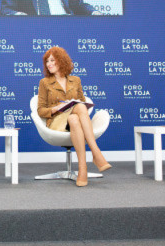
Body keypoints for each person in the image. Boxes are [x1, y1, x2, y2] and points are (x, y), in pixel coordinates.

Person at [36, 46, 111, 186]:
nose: (49, 64)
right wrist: (55, 108)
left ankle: (83, 169)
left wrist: (75, 105)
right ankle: (96, 153)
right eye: (47, 61)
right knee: (78, 109)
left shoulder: (76, 80)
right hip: (56, 122)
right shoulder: (44, 83)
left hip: (73, 119)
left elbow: (82, 102)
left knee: (74, 118)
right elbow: (40, 110)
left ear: (61, 61)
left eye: (52, 60)